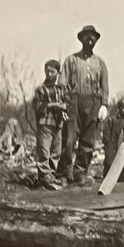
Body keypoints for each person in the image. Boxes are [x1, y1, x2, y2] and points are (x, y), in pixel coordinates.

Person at [59, 24, 109, 184]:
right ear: (81, 39)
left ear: (96, 40)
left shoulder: (100, 63)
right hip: (73, 101)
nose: (90, 39)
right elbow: (61, 85)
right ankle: (64, 172)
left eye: (93, 36)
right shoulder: (71, 60)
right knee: (69, 139)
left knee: (88, 141)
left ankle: (80, 172)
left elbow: (105, 86)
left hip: (93, 102)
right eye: (86, 36)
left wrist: (104, 105)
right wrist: (62, 105)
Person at [31, 59, 69, 189]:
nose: (49, 74)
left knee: (56, 150)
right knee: (43, 150)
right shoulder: (41, 89)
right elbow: (36, 105)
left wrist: (64, 106)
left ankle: (52, 175)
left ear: (58, 72)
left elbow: (68, 102)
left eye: (52, 72)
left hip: (58, 123)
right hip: (45, 122)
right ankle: (44, 176)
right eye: (47, 71)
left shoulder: (62, 89)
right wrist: (53, 105)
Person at [102, 96, 124, 184]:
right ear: (119, 108)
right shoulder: (113, 120)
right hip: (114, 146)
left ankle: (122, 180)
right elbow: (106, 132)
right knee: (110, 163)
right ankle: (107, 179)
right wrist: (107, 142)